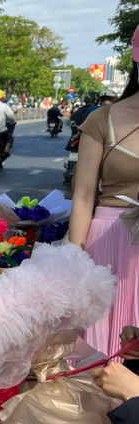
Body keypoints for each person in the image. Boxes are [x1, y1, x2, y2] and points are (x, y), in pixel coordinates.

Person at [71, 23, 139, 356]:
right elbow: (84, 195)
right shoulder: (102, 120)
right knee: (99, 356)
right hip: (109, 244)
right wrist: (74, 259)